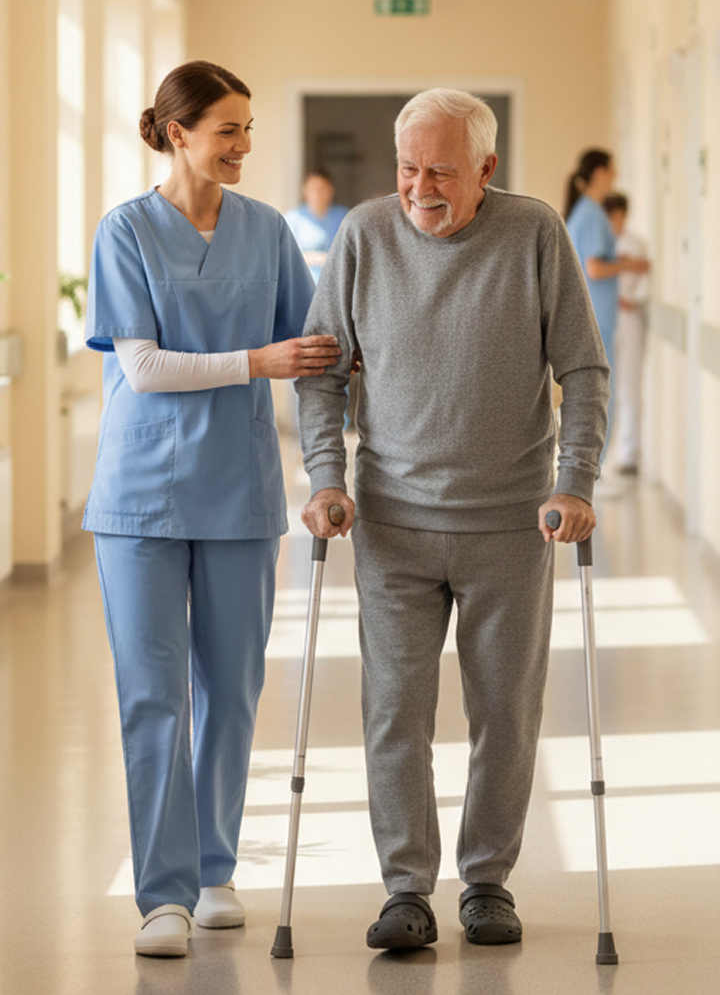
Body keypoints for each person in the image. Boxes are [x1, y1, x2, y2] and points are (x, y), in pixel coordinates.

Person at [296, 89, 610, 952]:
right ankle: (406, 885)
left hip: (514, 524)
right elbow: (320, 371)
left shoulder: (535, 233)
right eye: (407, 167)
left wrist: (575, 480)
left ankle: (486, 881)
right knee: (394, 709)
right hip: (392, 523)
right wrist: (327, 474)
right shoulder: (363, 237)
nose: (419, 186)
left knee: (504, 710)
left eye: (439, 168)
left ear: (486, 169)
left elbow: (583, 368)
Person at [82, 60, 340, 958]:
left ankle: (215, 867)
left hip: (238, 492)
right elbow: (144, 366)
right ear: (177, 130)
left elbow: (309, 356)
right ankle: (163, 895)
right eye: (228, 128)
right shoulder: (125, 232)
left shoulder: (268, 232)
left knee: (230, 689)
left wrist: (327, 467)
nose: (243, 145)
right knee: (154, 697)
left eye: (247, 128)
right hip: (140, 500)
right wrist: (255, 361)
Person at [564, 150, 650, 459]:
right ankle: (594, 473)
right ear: (600, 172)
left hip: (594, 316)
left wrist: (619, 261)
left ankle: (593, 472)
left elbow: (597, 261)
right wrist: (628, 266)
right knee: (601, 396)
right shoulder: (592, 213)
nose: (616, 173)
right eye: (612, 168)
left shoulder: (587, 211)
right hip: (597, 317)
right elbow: (595, 268)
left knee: (594, 395)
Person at [603, 192, 650, 474]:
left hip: (629, 317)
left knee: (630, 386)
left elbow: (646, 275)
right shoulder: (603, 243)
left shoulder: (636, 243)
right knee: (607, 388)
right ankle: (605, 455)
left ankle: (628, 456)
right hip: (607, 318)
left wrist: (634, 299)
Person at [284, 168, 348, 282]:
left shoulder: (343, 216)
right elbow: (286, 257)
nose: (318, 193)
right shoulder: (294, 218)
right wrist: (317, 258)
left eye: (322, 189)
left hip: (336, 284)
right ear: (305, 191)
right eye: (313, 189)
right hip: (304, 284)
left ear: (331, 190)